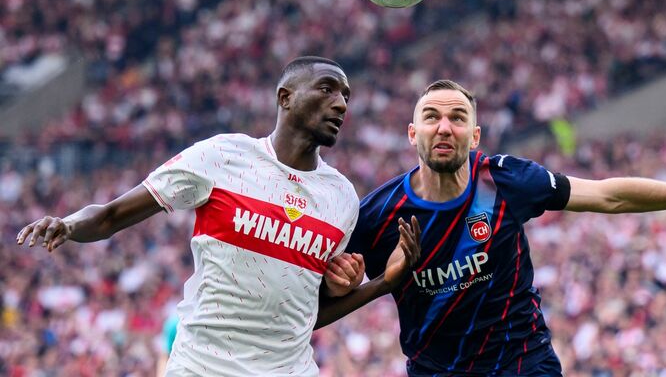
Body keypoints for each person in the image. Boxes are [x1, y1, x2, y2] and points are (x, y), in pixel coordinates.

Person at [316, 80, 666, 376]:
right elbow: (315, 306)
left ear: (475, 135)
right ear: (413, 134)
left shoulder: (505, 180)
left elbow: (608, 195)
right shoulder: (378, 215)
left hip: (524, 364)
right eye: (431, 117)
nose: (444, 127)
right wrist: (341, 284)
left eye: (458, 117)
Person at [15, 56, 419, 377]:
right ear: (285, 98)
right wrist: (68, 224)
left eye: (346, 95)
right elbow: (111, 215)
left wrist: (376, 284)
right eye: (327, 89)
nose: (341, 103)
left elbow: (307, 314)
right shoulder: (223, 156)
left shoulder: (342, 197)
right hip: (202, 366)